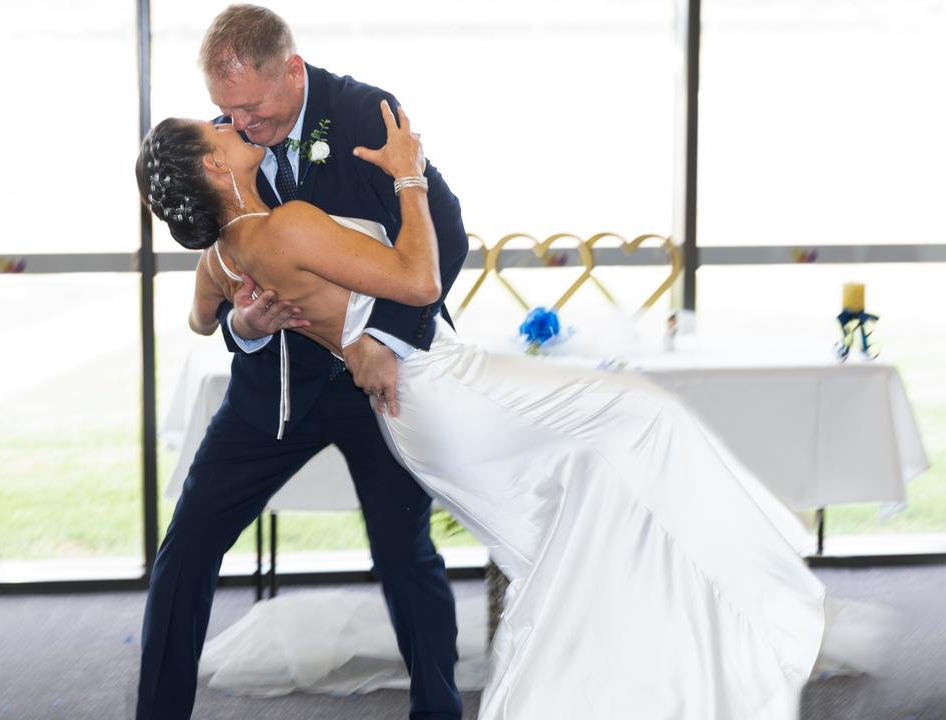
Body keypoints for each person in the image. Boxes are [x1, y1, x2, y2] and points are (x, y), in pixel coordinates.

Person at [135, 95, 868, 717]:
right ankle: (754, 607)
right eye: (221, 131)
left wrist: (261, 323)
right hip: (444, 388)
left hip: (417, 410)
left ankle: (643, 666)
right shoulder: (286, 224)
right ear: (211, 166)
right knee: (646, 417)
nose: (233, 124)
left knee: (572, 521)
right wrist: (409, 179)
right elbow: (420, 282)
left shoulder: (223, 258)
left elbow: (206, 319)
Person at [134, 5, 470, 720]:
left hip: (373, 382)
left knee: (403, 554)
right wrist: (245, 326)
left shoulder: (363, 113)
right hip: (270, 391)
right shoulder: (229, 145)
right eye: (224, 113)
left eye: (251, 109)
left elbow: (443, 234)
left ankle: (437, 712)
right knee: (186, 548)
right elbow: (216, 286)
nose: (239, 124)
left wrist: (383, 339)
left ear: (291, 69)